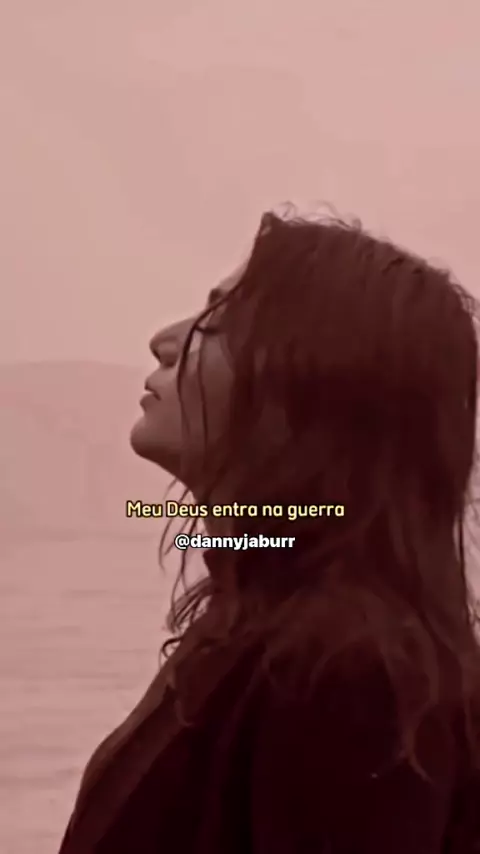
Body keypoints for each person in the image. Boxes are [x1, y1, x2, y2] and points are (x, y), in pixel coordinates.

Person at [58, 208, 480, 853]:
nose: (164, 340)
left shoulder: (353, 673)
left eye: (216, 325)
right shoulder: (260, 624)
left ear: (316, 388)